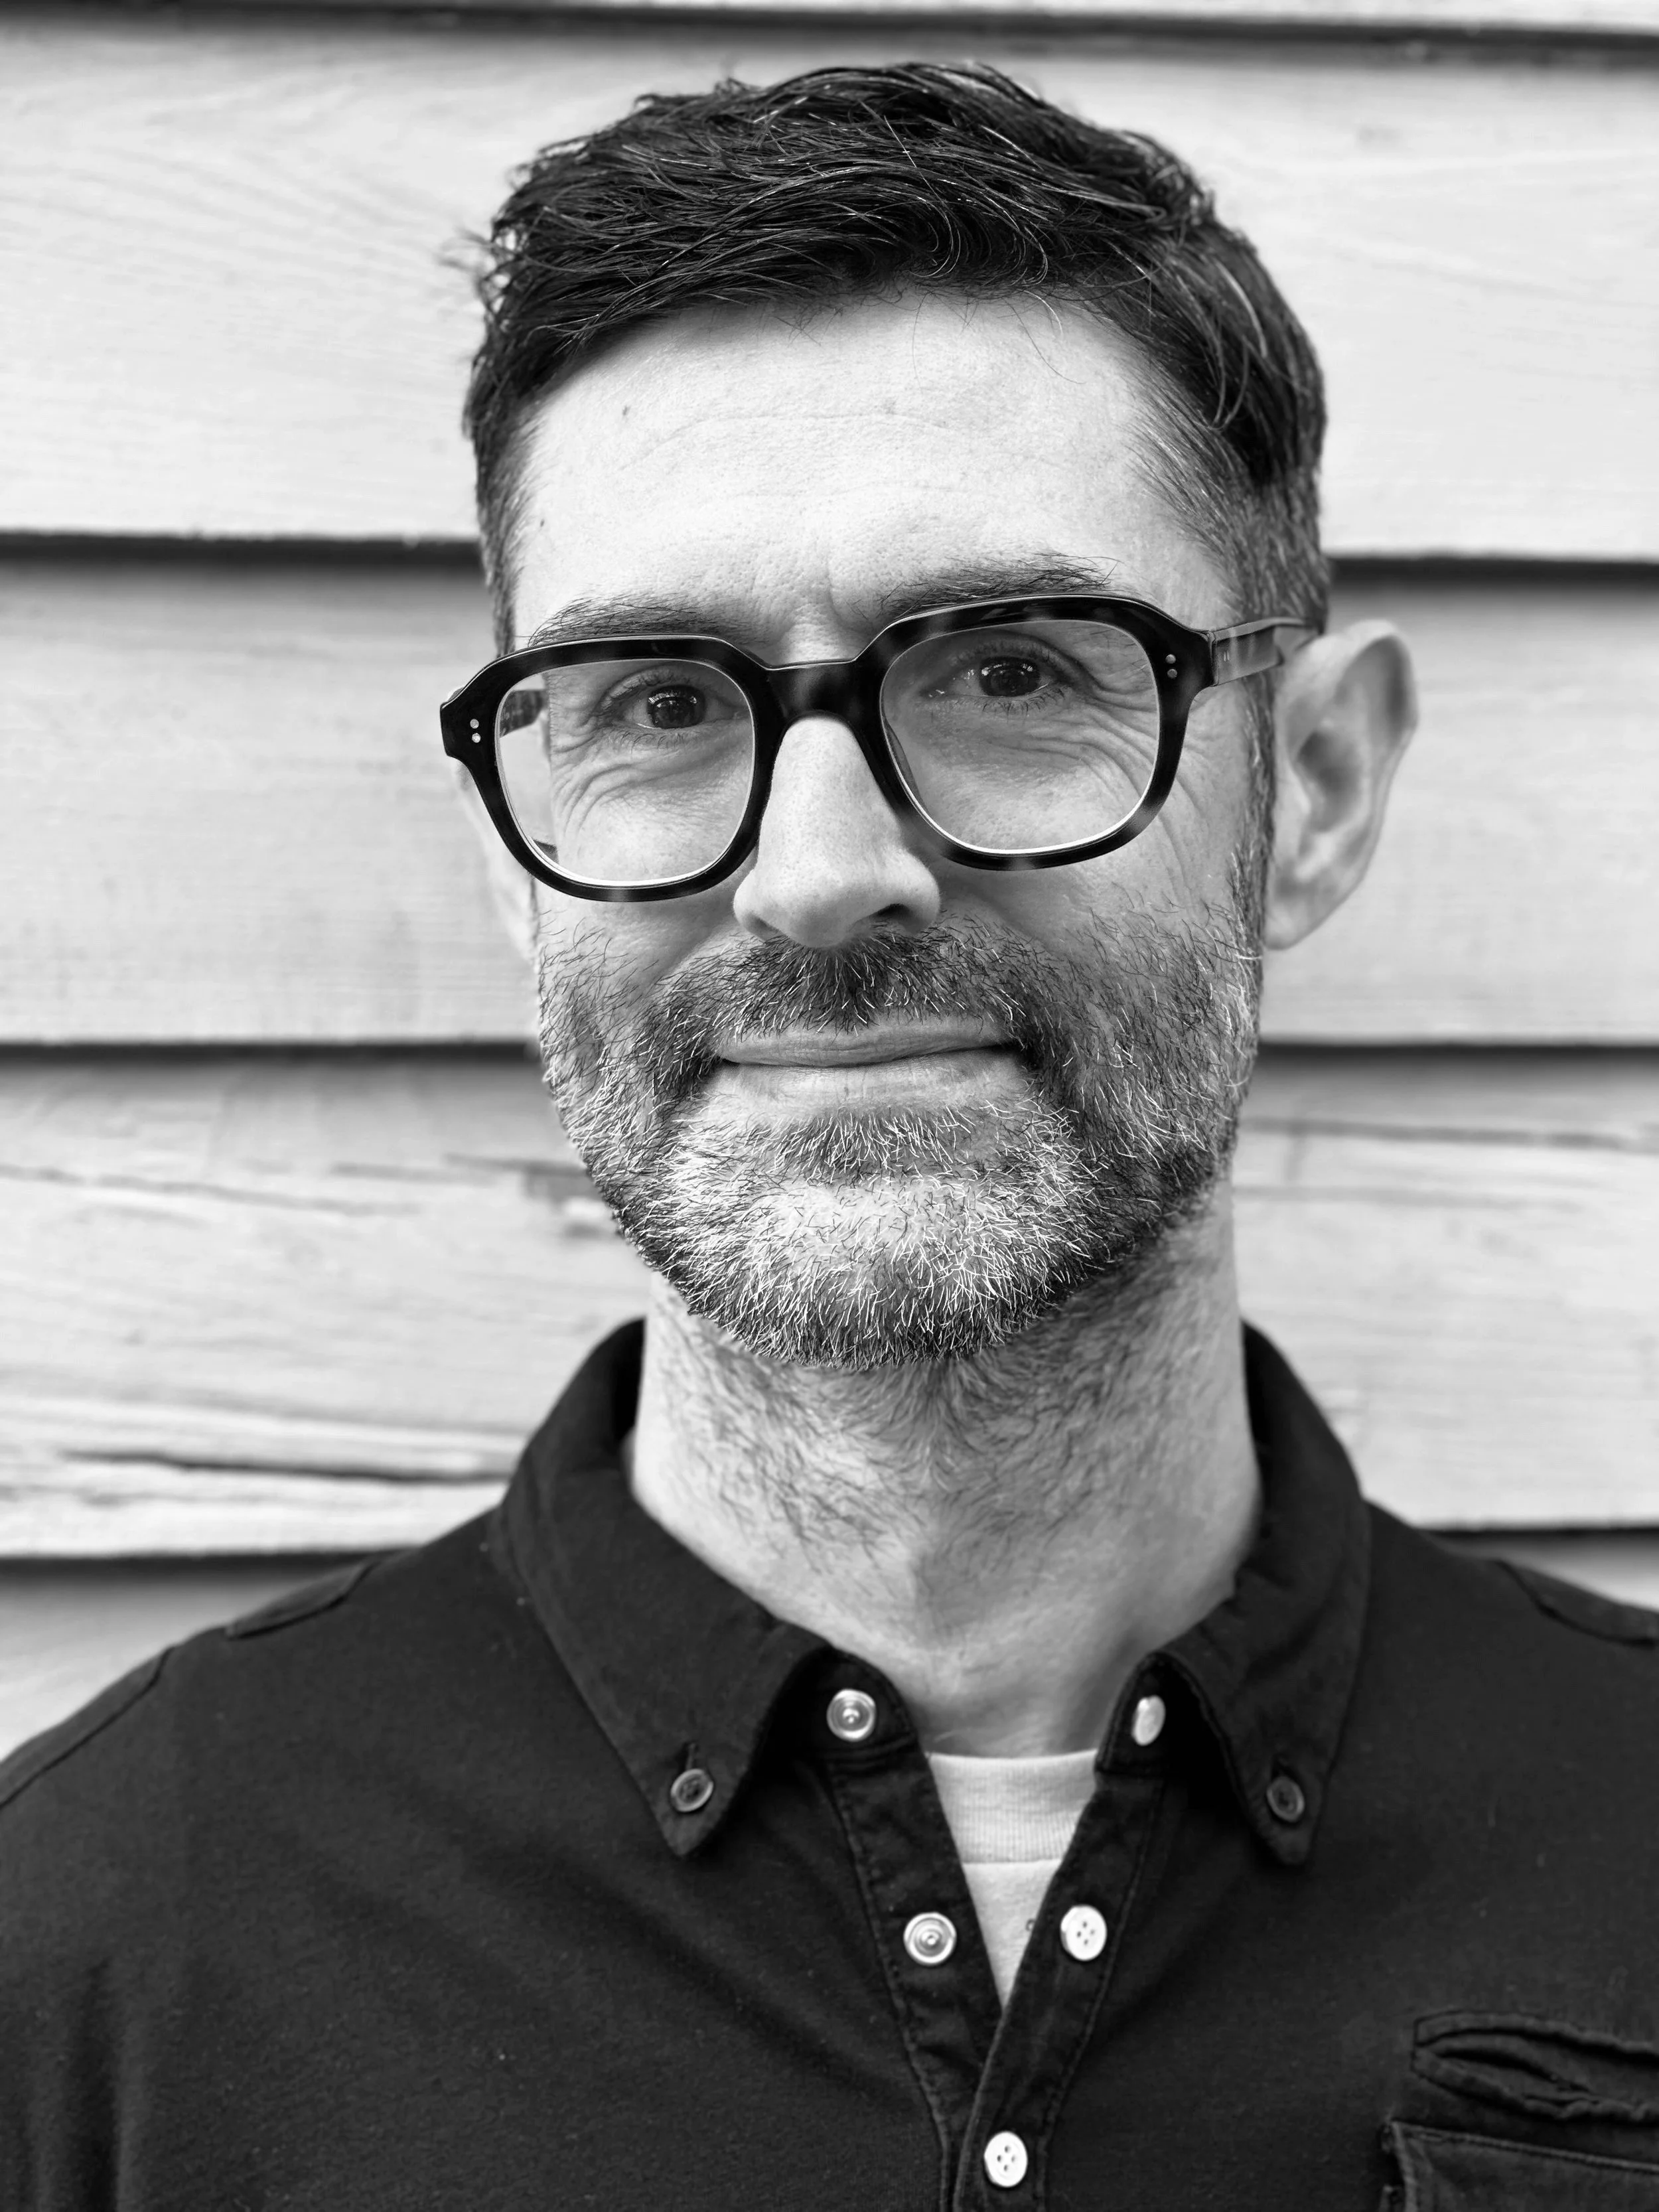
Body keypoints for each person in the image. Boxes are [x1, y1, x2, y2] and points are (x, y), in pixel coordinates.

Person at [4, 62, 1656, 2212]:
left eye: (1009, 667)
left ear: (1316, 787)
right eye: (657, 704)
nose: (817, 873)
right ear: (515, 849)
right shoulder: (93, 1954)